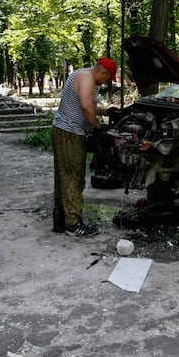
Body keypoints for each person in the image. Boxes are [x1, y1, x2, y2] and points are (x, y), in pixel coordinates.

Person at [52, 56, 117, 237]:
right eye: (107, 79)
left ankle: (61, 219)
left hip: (65, 130)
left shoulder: (82, 75)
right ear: (102, 72)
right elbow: (86, 107)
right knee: (73, 176)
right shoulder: (87, 78)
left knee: (64, 176)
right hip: (70, 132)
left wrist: (107, 111)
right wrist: (99, 128)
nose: (105, 82)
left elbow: (90, 104)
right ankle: (73, 224)